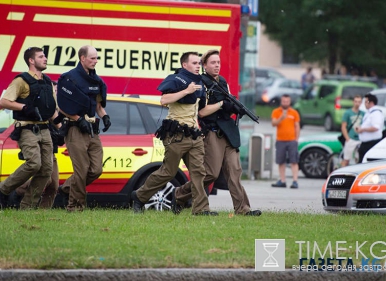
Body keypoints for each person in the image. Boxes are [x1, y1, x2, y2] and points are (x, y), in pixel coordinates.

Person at [173, 50, 261, 216]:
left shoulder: (223, 82)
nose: (217, 65)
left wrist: (233, 108)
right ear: (205, 66)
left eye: (218, 62)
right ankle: (179, 194)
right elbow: (202, 112)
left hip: (228, 132)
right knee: (210, 174)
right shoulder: (201, 83)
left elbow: (227, 104)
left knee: (234, 172)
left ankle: (243, 209)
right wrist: (222, 104)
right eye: (213, 62)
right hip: (212, 132)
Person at [131, 52, 217, 216]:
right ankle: (140, 196)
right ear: (185, 65)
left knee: (199, 173)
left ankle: (201, 209)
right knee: (168, 172)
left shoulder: (201, 84)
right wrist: (186, 91)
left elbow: (202, 111)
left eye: (199, 63)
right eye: (194, 63)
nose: (198, 65)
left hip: (194, 135)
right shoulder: (175, 79)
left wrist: (221, 104)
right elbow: (164, 100)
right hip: (176, 135)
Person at [0, 47, 58, 209]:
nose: (45, 59)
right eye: (41, 56)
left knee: (46, 170)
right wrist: (23, 108)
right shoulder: (21, 81)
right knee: (34, 163)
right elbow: (4, 101)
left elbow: (51, 110)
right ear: (31, 61)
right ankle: (4, 188)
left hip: (45, 129)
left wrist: (60, 125)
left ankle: (27, 207)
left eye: (44, 56)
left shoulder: (47, 82)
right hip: (27, 129)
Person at [56, 45, 111, 212]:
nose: (95, 61)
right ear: (82, 58)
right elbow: (62, 105)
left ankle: (66, 189)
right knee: (82, 170)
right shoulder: (68, 78)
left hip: (92, 130)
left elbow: (98, 105)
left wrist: (105, 116)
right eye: (92, 58)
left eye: (96, 58)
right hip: (75, 130)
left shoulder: (96, 80)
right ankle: (75, 206)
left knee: (96, 169)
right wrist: (78, 119)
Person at [13, 82, 63, 209]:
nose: (56, 93)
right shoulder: (44, 106)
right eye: (54, 91)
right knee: (47, 179)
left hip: (52, 148)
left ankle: (42, 212)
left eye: (57, 91)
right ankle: (17, 190)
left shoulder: (58, 108)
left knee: (54, 185)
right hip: (40, 145)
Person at [271, 94, 300, 188]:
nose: (285, 103)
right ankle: (282, 180)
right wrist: (281, 118)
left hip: (292, 140)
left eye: (287, 101)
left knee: (294, 161)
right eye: (284, 101)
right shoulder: (276, 111)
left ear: (290, 102)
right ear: (281, 101)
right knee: (281, 161)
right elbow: (273, 123)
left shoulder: (294, 112)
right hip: (280, 140)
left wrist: (296, 139)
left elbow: (297, 126)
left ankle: (295, 181)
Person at [356, 93, 384, 163]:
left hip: (372, 143)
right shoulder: (369, 113)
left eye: (366, 102)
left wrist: (362, 129)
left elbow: (376, 127)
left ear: (371, 102)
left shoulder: (376, 113)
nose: (365, 104)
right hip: (365, 143)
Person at [340, 95, 364, 167]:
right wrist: (347, 138)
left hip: (360, 139)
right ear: (353, 102)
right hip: (351, 138)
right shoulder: (348, 113)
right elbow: (343, 126)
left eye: (359, 102)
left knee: (358, 159)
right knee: (346, 159)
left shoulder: (363, 113)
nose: (357, 103)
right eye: (356, 101)